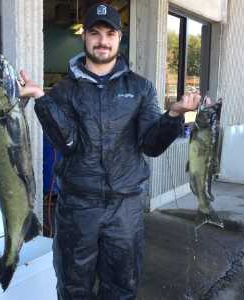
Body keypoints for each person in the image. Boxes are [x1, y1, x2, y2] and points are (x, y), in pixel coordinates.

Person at [19, 3, 200, 299]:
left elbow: (150, 146)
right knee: (74, 289)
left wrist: (174, 115)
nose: (102, 40)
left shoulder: (141, 88)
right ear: (84, 37)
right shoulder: (64, 90)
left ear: (119, 37)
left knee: (121, 289)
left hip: (125, 209)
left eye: (109, 33)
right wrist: (42, 98)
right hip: (78, 209)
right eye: (95, 33)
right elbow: (67, 143)